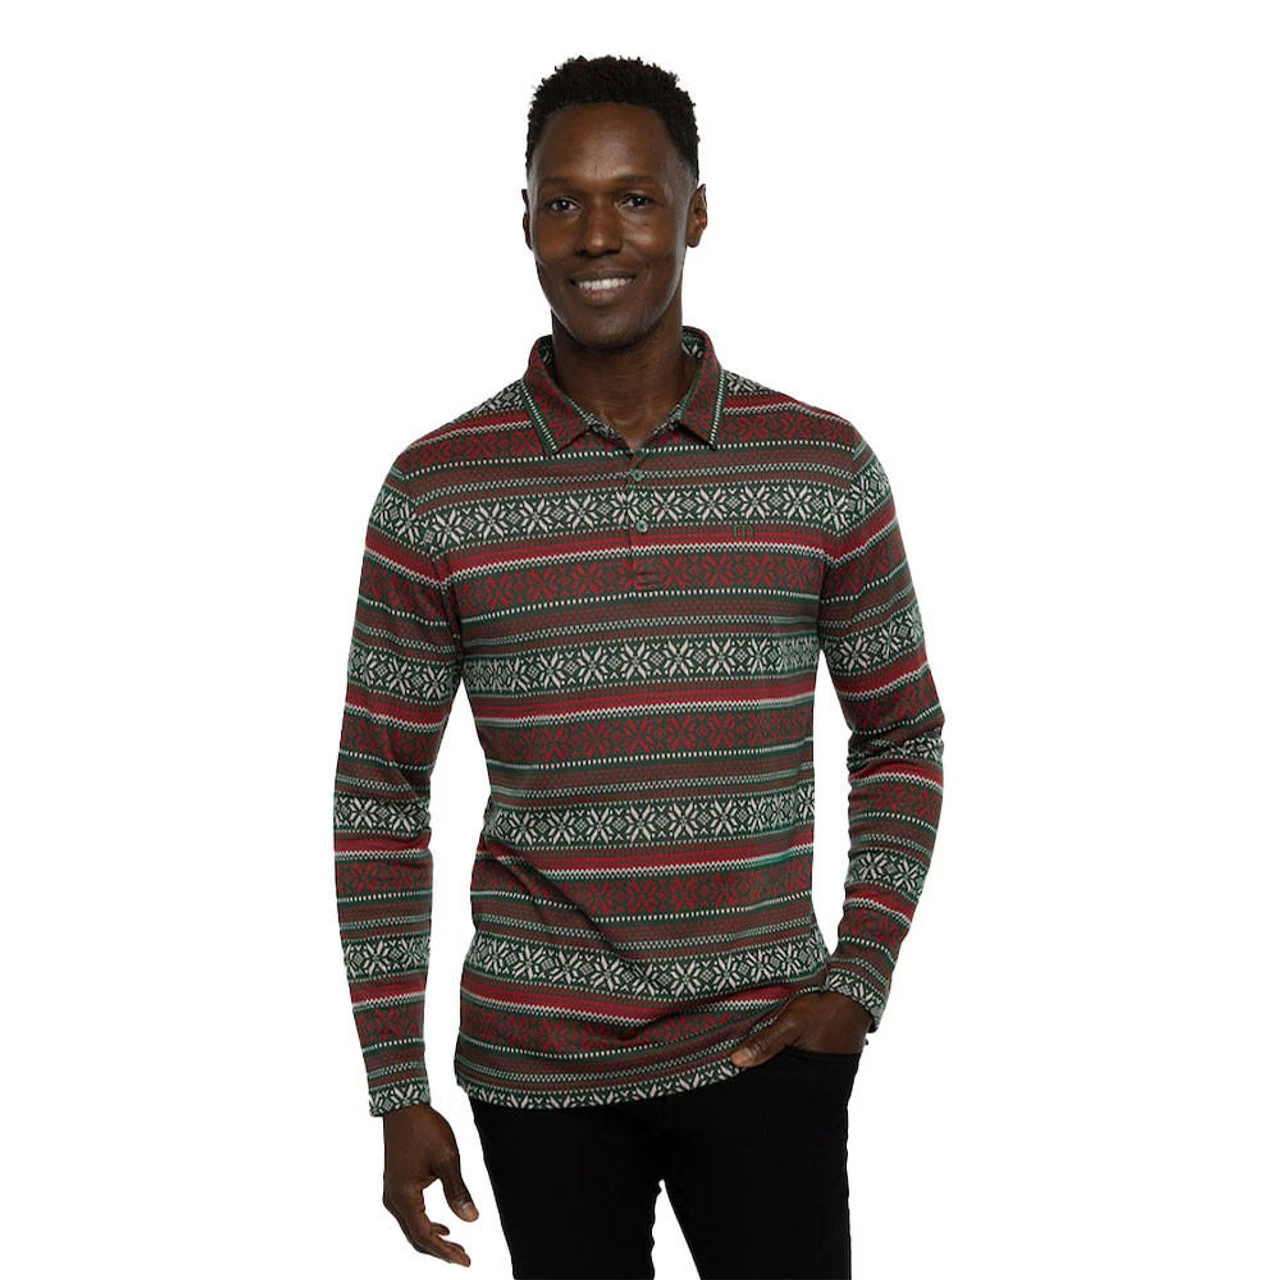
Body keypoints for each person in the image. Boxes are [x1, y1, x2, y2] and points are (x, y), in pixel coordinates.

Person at [333, 54, 946, 1279]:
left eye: (633, 197)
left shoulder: (817, 465)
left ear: (695, 213)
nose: (596, 234)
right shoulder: (435, 488)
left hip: (765, 1047)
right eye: (561, 200)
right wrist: (396, 1085)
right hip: (537, 1069)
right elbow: (379, 792)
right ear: (523, 221)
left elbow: (900, 735)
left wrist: (858, 979)